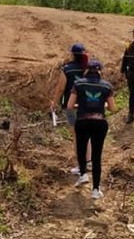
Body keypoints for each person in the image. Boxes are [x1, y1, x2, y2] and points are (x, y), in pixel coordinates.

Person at [67, 60, 116, 199]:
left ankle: (83, 175)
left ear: (86, 71)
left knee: (82, 149)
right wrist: (102, 106)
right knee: (96, 156)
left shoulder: (78, 84)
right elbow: (113, 108)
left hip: (82, 121)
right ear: (100, 71)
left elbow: (70, 106)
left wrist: (81, 105)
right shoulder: (107, 86)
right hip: (100, 123)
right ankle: (95, 190)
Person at [49, 43, 90, 174]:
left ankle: (81, 166)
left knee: (76, 136)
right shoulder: (88, 68)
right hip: (87, 105)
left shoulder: (67, 69)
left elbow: (61, 88)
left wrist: (54, 103)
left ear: (72, 54)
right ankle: (89, 162)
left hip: (71, 106)